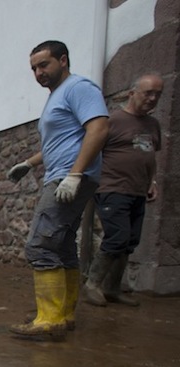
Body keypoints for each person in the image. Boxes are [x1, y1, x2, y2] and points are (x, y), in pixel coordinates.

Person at [6, 40, 109, 341]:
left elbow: (99, 128)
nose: (39, 72)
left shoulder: (79, 88)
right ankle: (63, 314)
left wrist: (75, 174)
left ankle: (48, 320)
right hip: (63, 174)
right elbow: (63, 141)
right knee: (62, 246)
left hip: (69, 177)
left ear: (63, 60)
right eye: (34, 68)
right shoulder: (57, 96)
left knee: (40, 245)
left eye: (44, 65)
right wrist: (29, 162)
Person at [83, 73, 163, 307]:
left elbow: (150, 158)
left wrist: (153, 182)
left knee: (129, 241)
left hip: (138, 190)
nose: (152, 98)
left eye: (157, 94)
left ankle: (112, 288)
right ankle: (92, 284)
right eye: (148, 93)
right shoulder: (113, 120)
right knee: (117, 236)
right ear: (132, 93)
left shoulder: (153, 124)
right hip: (112, 187)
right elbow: (92, 150)